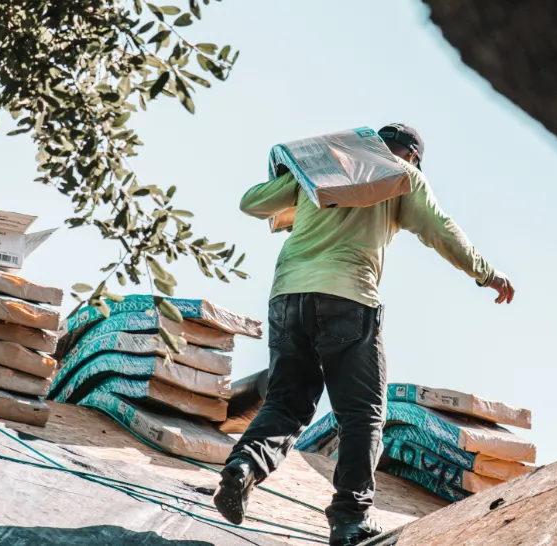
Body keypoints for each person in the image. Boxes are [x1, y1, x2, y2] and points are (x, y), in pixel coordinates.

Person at [213, 123, 515, 546]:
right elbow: (441, 231)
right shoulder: (404, 177)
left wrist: (293, 176)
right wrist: (488, 274)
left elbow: (251, 203)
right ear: (411, 156)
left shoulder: (324, 171)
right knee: (363, 413)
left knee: (286, 401)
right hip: (348, 299)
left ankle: (243, 467)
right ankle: (350, 518)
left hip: (287, 298)